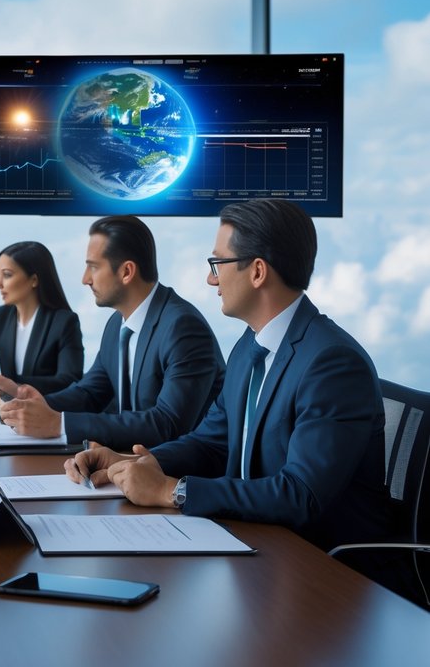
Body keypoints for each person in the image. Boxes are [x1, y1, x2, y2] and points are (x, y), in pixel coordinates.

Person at [68, 199, 390, 551]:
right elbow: (211, 441)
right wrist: (134, 463)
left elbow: (301, 495)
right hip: (256, 543)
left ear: (257, 272)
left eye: (217, 263)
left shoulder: (333, 363)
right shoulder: (250, 345)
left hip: (324, 568)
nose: (210, 278)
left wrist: (171, 491)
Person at [0, 215, 223, 449]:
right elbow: (89, 393)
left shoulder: (183, 328)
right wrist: (35, 405)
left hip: (178, 478)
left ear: (127, 272)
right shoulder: (116, 325)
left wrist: (58, 423)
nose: (85, 279)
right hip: (129, 464)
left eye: (93, 268)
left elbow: (167, 424)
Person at [0, 241, 83, 410]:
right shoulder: (2, 316)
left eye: (7, 275)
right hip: (6, 414)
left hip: (46, 414)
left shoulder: (64, 322)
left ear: (34, 280)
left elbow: (69, 380)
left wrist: (13, 385)